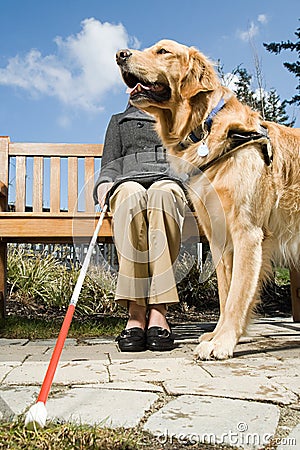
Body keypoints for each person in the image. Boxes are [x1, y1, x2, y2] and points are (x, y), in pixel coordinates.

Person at [93, 104, 188, 352]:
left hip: (168, 182)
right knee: (130, 194)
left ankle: (159, 310)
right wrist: (104, 184)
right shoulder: (119, 120)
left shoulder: (179, 117)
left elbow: (189, 160)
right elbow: (111, 165)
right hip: (128, 184)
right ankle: (136, 311)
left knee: (163, 194)